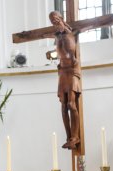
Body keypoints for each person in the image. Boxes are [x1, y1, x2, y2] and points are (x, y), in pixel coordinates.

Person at [49, 11, 81, 150]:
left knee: (71, 105)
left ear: (61, 18)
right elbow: (60, 52)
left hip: (72, 70)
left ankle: (75, 136)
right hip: (62, 72)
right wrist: (50, 54)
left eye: (55, 19)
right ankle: (69, 137)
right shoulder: (56, 36)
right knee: (63, 107)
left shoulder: (73, 32)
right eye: (52, 21)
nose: (54, 22)